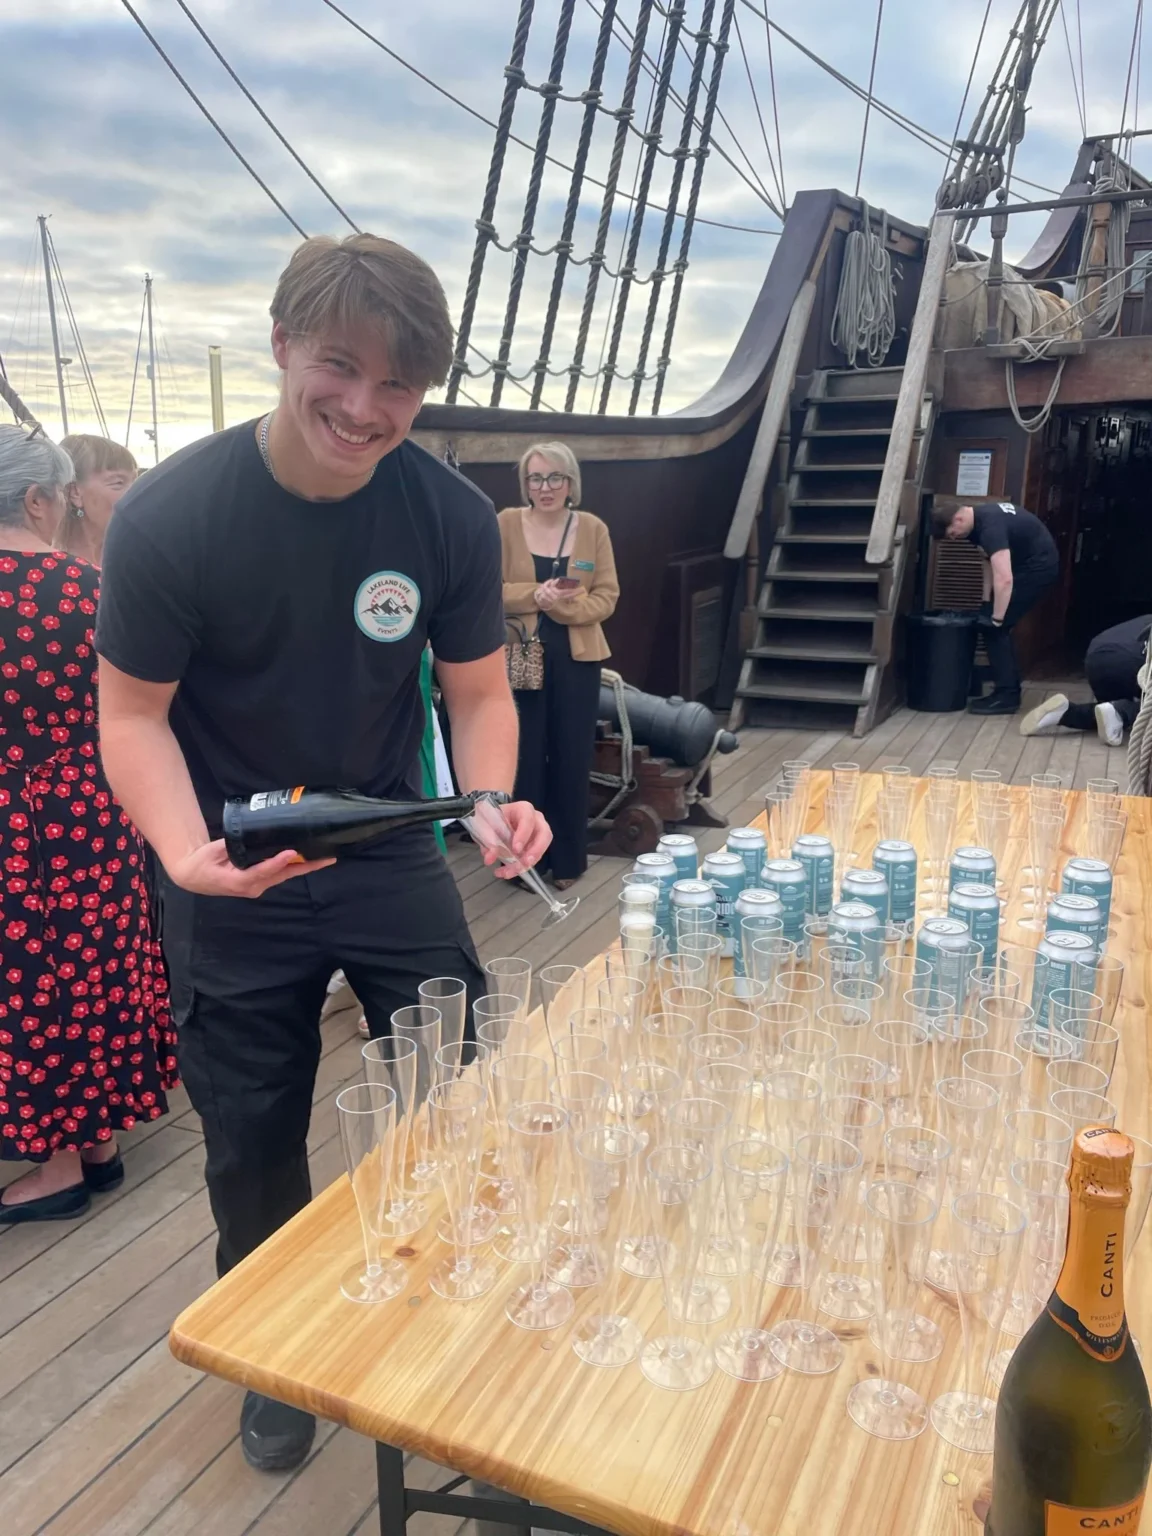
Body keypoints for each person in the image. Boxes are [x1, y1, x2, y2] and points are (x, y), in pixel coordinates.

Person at [93, 232, 551, 1473]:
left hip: (387, 837)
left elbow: (474, 691)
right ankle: (272, 1354)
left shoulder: (449, 517)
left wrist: (491, 798)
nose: (364, 409)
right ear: (284, 345)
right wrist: (185, 855)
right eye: (340, 368)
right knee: (250, 1131)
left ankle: (446, 1305)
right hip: (230, 859)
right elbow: (131, 717)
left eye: (398, 385)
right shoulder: (171, 514)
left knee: (457, 1073)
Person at [0, 426, 175, 1222]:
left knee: (32, 982)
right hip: (100, 808)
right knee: (100, 962)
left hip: (16, 820)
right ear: (39, 499)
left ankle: (60, 1164)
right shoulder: (90, 590)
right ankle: (99, 1143)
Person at [499, 443, 618, 888]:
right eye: (535, 478)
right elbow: (488, 585)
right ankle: (523, 862)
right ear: (525, 484)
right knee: (523, 758)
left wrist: (566, 606)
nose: (544, 488)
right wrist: (535, 595)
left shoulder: (592, 528)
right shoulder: (506, 524)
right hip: (521, 652)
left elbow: (608, 596)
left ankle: (568, 860)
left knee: (571, 756)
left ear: (571, 483)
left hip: (576, 657)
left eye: (554, 478)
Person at [931, 499, 1060, 716]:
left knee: (995, 629)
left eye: (952, 533)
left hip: (1038, 570)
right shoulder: (976, 525)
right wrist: (985, 600)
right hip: (1024, 568)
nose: (954, 538)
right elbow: (987, 561)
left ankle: (1007, 696)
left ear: (958, 519)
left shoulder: (990, 527)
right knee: (989, 618)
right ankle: (1005, 689)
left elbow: (1005, 578)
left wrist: (997, 618)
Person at [1020, 613, 1152, 744]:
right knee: (1139, 712)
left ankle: (1065, 713)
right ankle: (1120, 712)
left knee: (1106, 715)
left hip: (1096, 657)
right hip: (1126, 661)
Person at [58, 434, 138, 567]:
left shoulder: (141, 556)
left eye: (136, 481)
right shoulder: (51, 568)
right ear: (75, 492)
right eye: (118, 483)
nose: (135, 492)